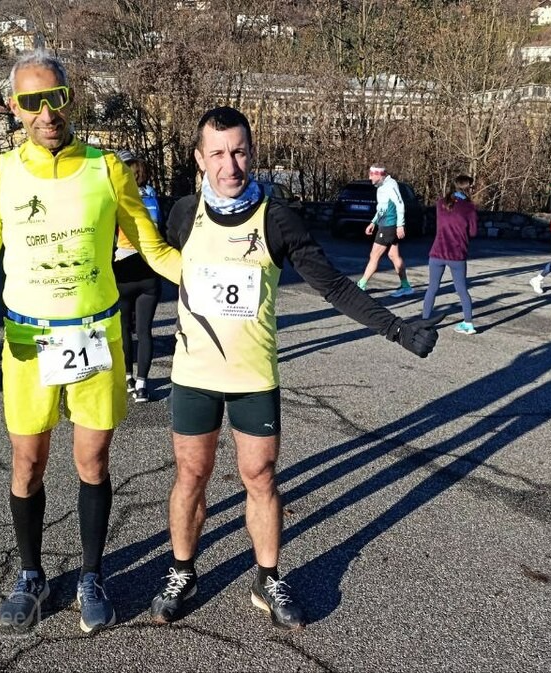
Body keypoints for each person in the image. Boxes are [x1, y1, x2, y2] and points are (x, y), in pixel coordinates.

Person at [147, 107, 441, 631]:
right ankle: (183, 571)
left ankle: (267, 577)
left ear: (252, 153)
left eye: (239, 152)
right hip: (193, 376)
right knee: (191, 475)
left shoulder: (277, 218)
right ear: (199, 159)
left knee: (260, 477)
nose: (230, 165)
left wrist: (395, 328)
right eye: (217, 153)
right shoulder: (184, 214)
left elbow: (334, 286)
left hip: (253, 378)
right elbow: (149, 262)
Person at [0, 49, 181, 633]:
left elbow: (152, 248)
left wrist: (211, 277)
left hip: (95, 335)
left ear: (70, 97)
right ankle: (31, 575)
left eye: (55, 98)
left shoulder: (108, 168)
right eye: (32, 102)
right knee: (27, 463)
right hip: (28, 342)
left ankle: (91, 575)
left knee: (92, 461)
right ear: (13, 107)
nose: (46, 113)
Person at [113, 152, 162, 403]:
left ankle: (127, 377)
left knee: (123, 329)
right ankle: (143, 384)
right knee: (144, 331)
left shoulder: (121, 199)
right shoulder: (153, 198)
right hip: (149, 270)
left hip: (123, 268)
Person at [423, 175, 478, 334]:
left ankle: (424, 322)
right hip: (457, 254)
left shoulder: (440, 203)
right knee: (461, 289)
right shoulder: (469, 207)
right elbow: (473, 232)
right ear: (467, 188)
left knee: (432, 288)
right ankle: (468, 323)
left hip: (437, 251)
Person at [356, 165, 413, 297]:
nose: (369, 177)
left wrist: (400, 225)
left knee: (374, 255)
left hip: (389, 226)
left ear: (379, 175)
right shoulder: (381, 186)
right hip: (385, 224)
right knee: (393, 255)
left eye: (372, 174)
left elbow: (400, 204)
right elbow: (381, 208)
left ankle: (361, 284)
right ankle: (406, 286)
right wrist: (373, 222)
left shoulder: (390, 185)